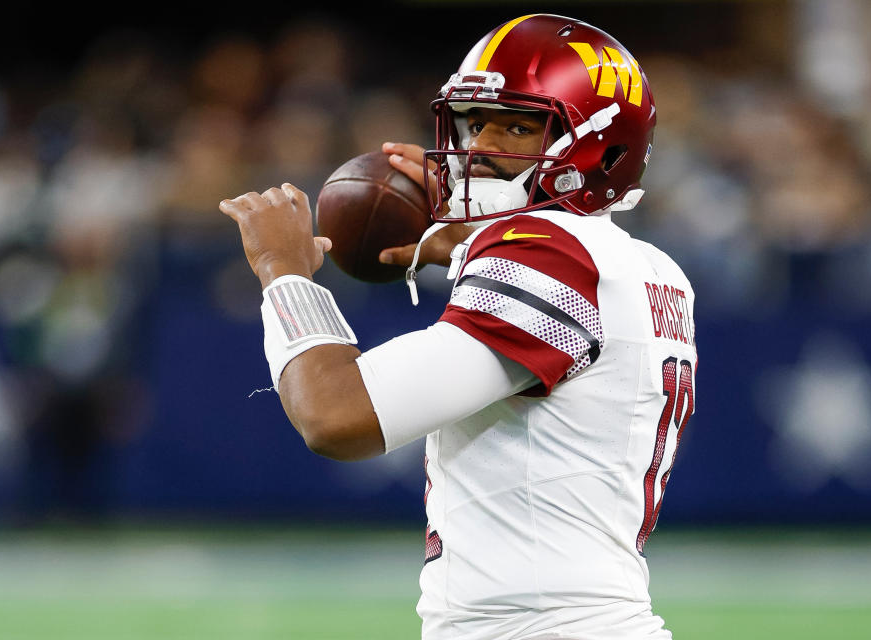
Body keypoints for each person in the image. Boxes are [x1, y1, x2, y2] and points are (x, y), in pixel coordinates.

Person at [220, 14, 696, 640]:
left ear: (599, 149)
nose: (477, 148)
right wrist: (471, 246)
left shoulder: (549, 255)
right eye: (476, 123)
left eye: (519, 126)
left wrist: (284, 273)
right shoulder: (646, 267)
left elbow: (336, 417)